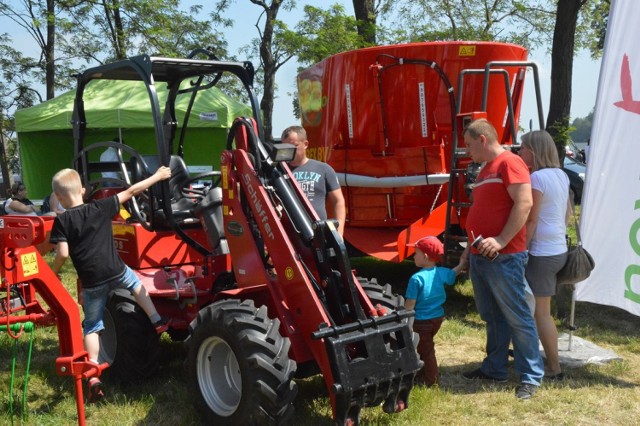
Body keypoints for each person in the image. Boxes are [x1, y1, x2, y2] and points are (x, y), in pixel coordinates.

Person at [49, 166, 171, 403]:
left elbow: (62, 253)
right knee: (136, 285)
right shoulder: (100, 206)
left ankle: (93, 372)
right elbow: (133, 190)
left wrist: (54, 271)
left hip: (92, 281)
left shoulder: (62, 221)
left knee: (93, 325)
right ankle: (157, 320)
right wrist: (157, 176)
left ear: (60, 197)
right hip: (116, 271)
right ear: (83, 190)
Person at [461, 118, 544, 400]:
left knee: (518, 316)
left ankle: (531, 376)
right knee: (493, 317)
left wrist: (501, 240)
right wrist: (467, 254)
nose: (467, 152)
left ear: (482, 140)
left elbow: (525, 203)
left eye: (469, 145)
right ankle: (494, 368)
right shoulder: (486, 169)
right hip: (482, 256)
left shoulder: (510, 163)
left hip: (504, 256)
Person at [519, 130, 571, 381]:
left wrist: (522, 249)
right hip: (558, 249)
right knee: (540, 310)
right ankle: (536, 356)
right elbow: (568, 213)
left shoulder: (537, 178)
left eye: (523, 148)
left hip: (541, 253)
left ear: (534, 151)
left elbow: (531, 218)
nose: (520, 153)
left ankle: (554, 366)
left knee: (541, 313)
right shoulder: (561, 175)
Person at [404, 236, 467, 387]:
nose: (413, 256)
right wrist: (462, 263)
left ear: (425, 256)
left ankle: (431, 381)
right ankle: (422, 375)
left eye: (416, 253)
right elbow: (453, 273)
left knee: (426, 351)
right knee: (424, 347)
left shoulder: (416, 279)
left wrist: (403, 319)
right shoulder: (440, 272)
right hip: (437, 318)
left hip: (421, 321)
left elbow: (410, 305)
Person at [281, 125, 346, 236]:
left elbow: (338, 201)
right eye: (285, 147)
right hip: (290, 234)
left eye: (294, 146)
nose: (289, 150)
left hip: (319, 232)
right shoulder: (279, 172)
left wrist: (339, 233)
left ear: (305, 144)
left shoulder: (324, 169)